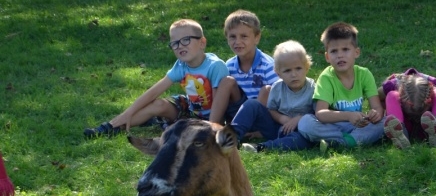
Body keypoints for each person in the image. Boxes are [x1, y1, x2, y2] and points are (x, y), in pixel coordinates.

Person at [84, 19, 236, 137]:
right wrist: (127, 113)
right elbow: (153, 92)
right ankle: (112, 127)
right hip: (191, 109)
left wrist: (210, 128)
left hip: (213, 117)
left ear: (202, 42)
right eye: (175, 43)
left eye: (186, 40)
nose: (180, 46)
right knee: (157, 104)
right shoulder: (181, 65)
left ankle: (153, 121)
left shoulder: (215, 66)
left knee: (180, 128)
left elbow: (219, 107)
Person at [297, 22, 384, 154]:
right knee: (305, 123)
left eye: (345, 49)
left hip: (358, 125)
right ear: (327, 56)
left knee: (385, 121)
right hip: (332, 125)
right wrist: (348, 115)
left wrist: (375, 114)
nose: (340, 55)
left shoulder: (364, 74)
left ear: (356, 52)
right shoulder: (326, 77)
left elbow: (377, 107)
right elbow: (320, 114)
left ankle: (338, 142)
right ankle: (348, 142)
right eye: (334, 51)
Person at [233, 40, 316, 153]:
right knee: (252, 104)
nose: (293, 74)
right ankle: (231, 137)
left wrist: (299, 119)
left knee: (300, 141)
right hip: (277, 127)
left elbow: (318, 114)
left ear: (306, 67)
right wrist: (282, 118)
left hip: (301, 131)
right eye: (287, 70)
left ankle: (262, 147)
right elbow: (271, 110)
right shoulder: (277, 87)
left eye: (298, 68)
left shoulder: (313, 88)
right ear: (278, 73)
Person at [223, 9, 279, 109]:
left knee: (265, 91)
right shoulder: (229, 65)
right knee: (226, 81)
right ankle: (214, 123)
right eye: (232, 37)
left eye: (244, 36)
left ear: (256, 38)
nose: (238, 42)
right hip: (239, 110)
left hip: (264, 113)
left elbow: (280, 96)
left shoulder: (268, 66)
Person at [379, 68, 436, 149]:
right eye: (412, 108)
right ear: (402, 95)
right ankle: (399, 133)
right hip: (406, 123)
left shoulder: (434, 83)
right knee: (392, 95)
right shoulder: (392, 85)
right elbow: (376, 97)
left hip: (427, 126)